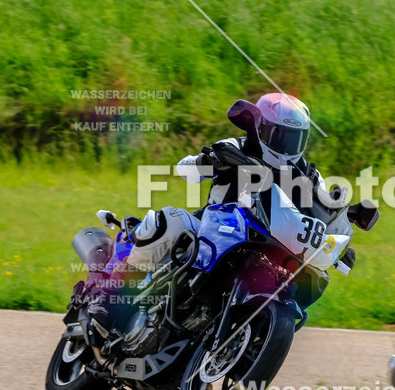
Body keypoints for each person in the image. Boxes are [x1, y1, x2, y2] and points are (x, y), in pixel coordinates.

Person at [79, 92, 346, 346]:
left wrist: (339, 241)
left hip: (265, 244)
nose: (286, 146)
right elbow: (185, 169)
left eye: (294, 139)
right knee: (169, 219)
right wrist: (211, 162)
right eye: (280, 136)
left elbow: (324, 211)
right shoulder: (238, 147)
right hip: (211, 230)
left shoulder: (308, 176)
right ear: (261, 128)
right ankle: (111, 295)